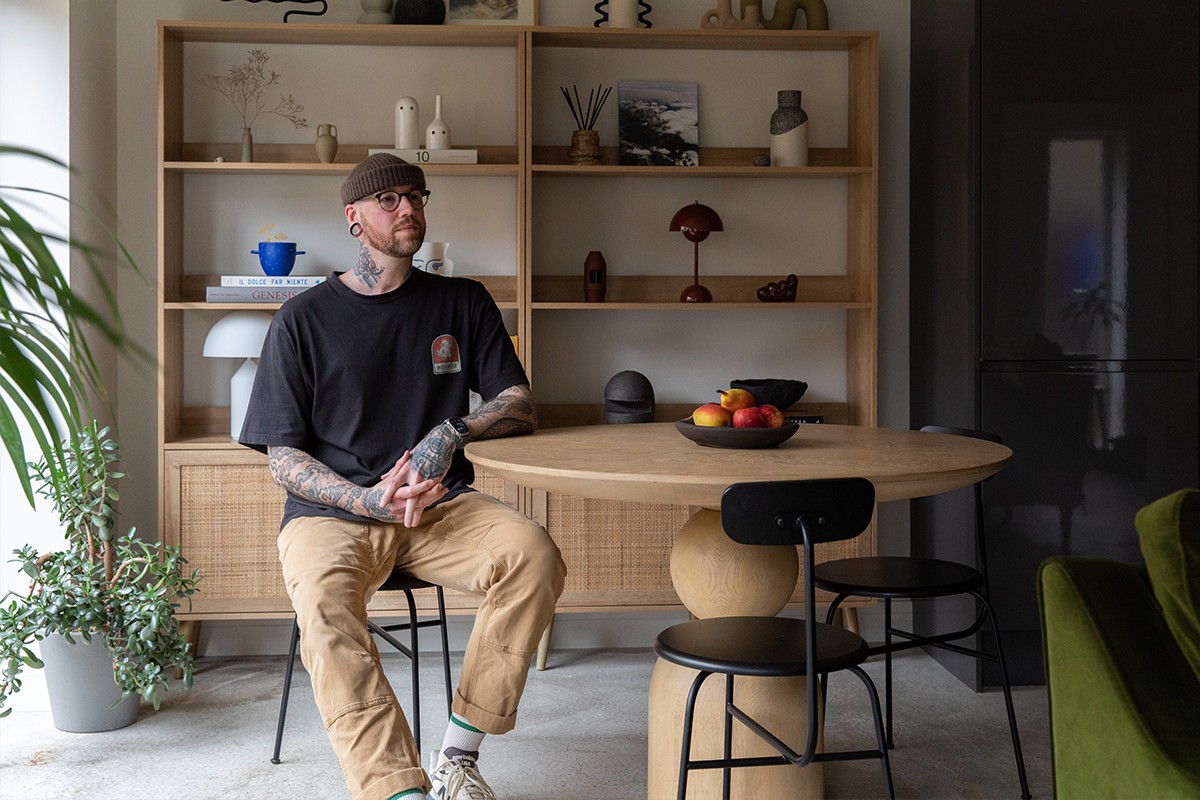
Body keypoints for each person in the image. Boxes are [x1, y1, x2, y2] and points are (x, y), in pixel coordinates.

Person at [239, 153, 567, 800]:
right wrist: (364, 498)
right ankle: (396, 789)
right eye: (389, 199)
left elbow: (518, 402)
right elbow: (283, 457)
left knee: (533, 555)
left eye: (416, 196)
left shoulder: (462, 301)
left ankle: (458, 757)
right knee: (326, 611)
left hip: (441, 506)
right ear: (353, 218)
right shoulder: (301, 320)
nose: (408, 209)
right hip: (334, 516)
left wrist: (450, 434)